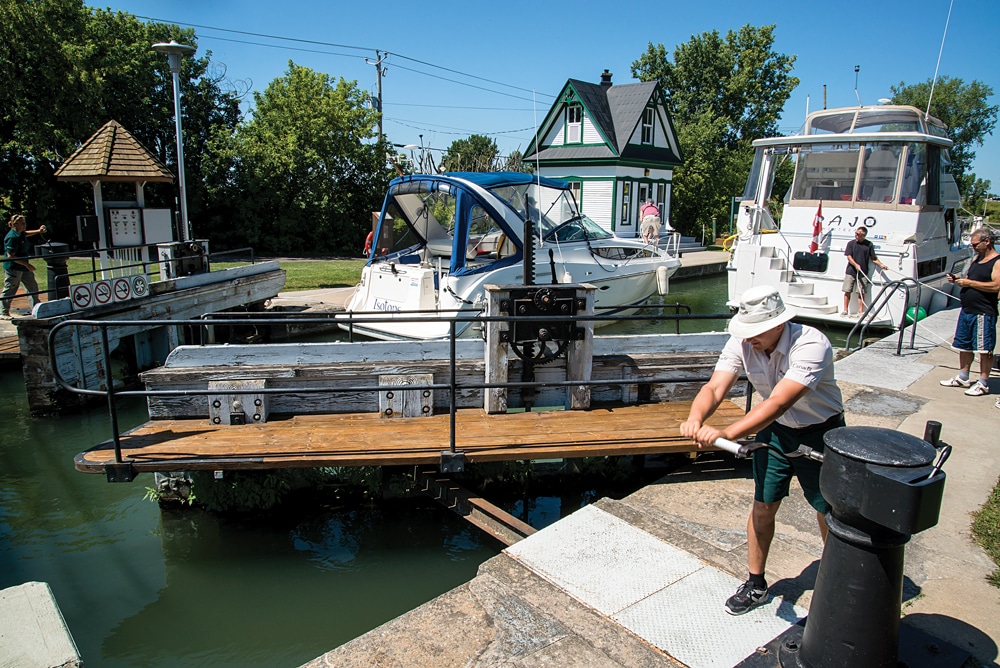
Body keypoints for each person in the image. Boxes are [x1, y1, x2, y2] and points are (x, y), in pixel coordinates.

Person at [680, 284, 844, 615]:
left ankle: (837, 581)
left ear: (778, 324)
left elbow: (781, 401)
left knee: (828, 508)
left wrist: (726, 432)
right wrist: (695, 418)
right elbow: (715, 387)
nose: (749, 338)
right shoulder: (742, 343)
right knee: (763, 504)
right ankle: (755, 582)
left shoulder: (811, 344)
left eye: (756, 331)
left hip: (821, 432)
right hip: (776, 433)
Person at [940, 228, 999, 397]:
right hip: (967, 310)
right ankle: (963, 376)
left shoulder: (996, 261)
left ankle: (983, 383)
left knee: (984, 349)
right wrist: (958, 280)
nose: (973, 247)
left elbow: (996, 286)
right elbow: (970, 280)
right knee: (963, 345)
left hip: (983, 311)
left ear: (987, 241)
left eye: (975, 244)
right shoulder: (976, 259)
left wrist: (969, 283)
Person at [1, 214, 47, 319]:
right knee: (10, 289)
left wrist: (38, 231)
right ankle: (3, 312)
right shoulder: (12, 237)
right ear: (15, 224)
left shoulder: (20, 233)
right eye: (22, 223)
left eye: (24, 222)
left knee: (32, 287)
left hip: (23, 267)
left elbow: (26, 234)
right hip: (14, 267)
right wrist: (27, 264)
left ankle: (36, 310)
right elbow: (11, 256)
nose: (24, 225)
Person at [841, 226, 887, 316]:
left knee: (861, 292)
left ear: (863, 235)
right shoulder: (851, 243)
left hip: (863, 271)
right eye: (855, 233)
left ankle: (860, 311)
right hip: (851, 271)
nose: (856, 235)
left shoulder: (869, 244)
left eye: (858, 234)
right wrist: (856, 265)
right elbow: (849, 257)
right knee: (847, 290)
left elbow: (873, 258)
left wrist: (881, 265)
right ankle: (845, 310)